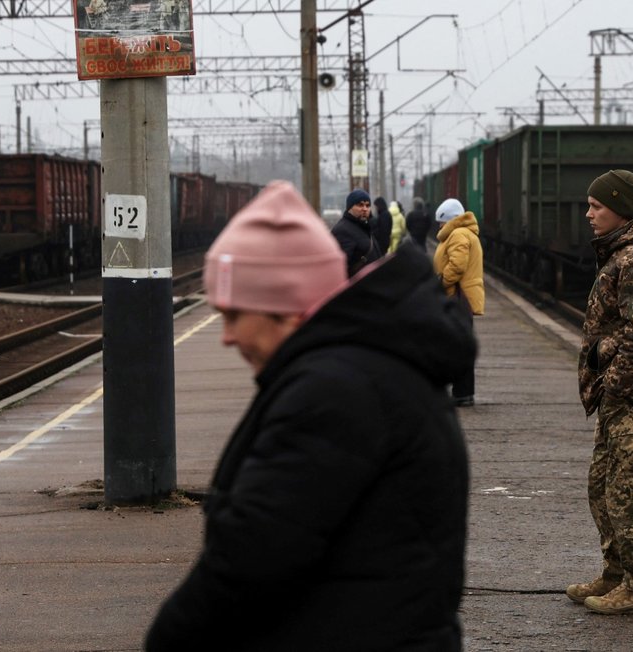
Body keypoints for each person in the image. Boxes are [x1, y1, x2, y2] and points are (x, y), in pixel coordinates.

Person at [145, 180, 476, 651]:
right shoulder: (361, 368)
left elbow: (251, 556)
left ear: (285, 307)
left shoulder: (334, 393)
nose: (227, 336)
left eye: (235, 315)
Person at [565, 169, 633, 616]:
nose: (588, 213)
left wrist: (615, 384)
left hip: (631, 393)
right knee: (602, 485)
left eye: (597, 206)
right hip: (617, 393)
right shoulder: (621, 253)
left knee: (625, 489)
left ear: (620, 209)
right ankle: (615, 573)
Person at [432, 197, 485, 408]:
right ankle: (463, 392)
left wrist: (441, 282)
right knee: (459, 344)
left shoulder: (458, 234)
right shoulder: (462, 233)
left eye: (441, 222)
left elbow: (457, 265)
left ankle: (462, 393)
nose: (439, 226)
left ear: (449, 220)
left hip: (457, 297)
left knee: (457, 346)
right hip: (460, 298)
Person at [331, 188, 382, 277]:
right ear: (350, 208)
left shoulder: (364, 227)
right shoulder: (342, 230)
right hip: (358, 288)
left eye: (367, 205)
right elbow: (340, 269)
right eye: (360, 205)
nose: (365, 209)